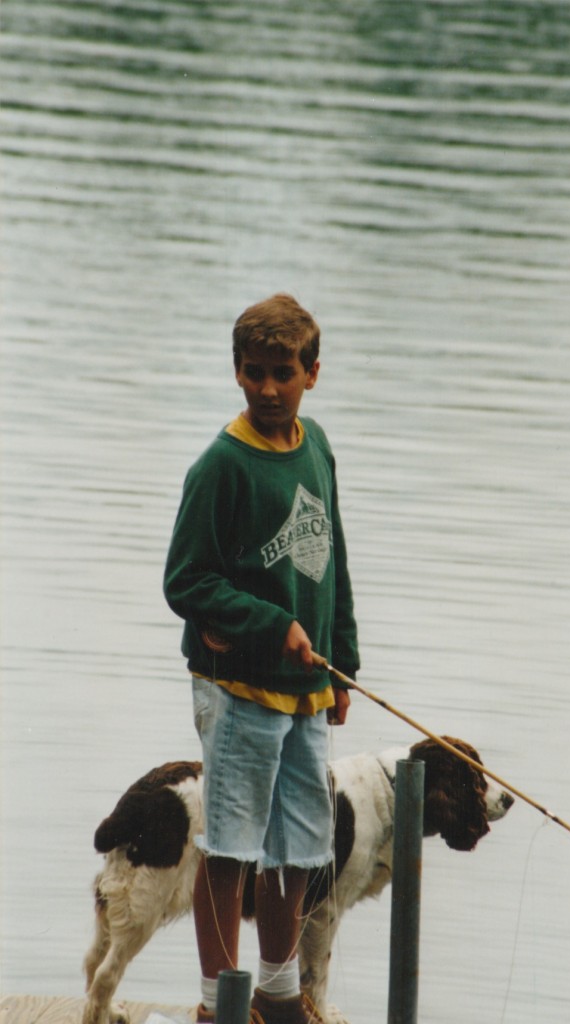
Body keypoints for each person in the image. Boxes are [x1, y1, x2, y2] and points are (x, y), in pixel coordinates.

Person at [164, 294, 360, 1024]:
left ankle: (278, 993)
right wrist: (269, 624)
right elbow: (187, 581)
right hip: (240, 689)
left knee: (299, 848)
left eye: (284, 372)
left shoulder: (317, 447)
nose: (269, 388)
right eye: (255, 372)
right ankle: (222, 1003)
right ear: (237, 372)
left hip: (309, 689)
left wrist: (344, 662)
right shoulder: (221, 466)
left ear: (313, 373)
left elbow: (332, 560)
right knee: (231, 848)